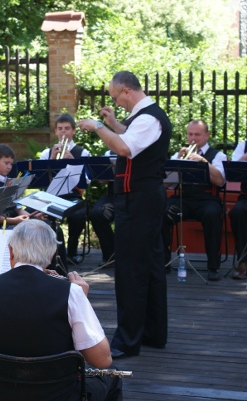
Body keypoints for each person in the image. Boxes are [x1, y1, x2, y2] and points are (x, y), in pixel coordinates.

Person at [0, 220, 123, 401]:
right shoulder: (70, 292)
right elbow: (102, 360)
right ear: (52, 255)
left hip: (1, 394)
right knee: (113, 376)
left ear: (11, 250)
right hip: (59, 395)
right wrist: (82, 300)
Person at [78, 70, 170, 358]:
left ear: (127, 91)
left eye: (116, 97)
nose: (116, 102)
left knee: (131, 269)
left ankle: (127, 341)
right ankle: (152, 333)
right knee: (151, 266)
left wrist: (97, 127)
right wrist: (113, 123)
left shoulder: (148, 118)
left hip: (139, 200)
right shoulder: (143, 118)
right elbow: (130, 137)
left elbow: (125, 147)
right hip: (143, 199)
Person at [162, 120, 226, 281]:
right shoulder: (180, 154)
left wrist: (203, 161)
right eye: (190, 134)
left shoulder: (218, 155)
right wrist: (177, 159)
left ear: (206, 135)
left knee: (213, 215)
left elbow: (219, 181)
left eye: (197, 134)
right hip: (184, 197)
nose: (193, 138)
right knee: (161, 213)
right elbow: (167, 183)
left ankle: (213, 267)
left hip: (207, 199)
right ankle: (163, 262)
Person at [39, 113, 90, 264]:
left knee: (78, 215)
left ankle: (71, 253)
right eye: (60, 129)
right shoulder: (46, 153)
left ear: (73, 131)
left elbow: (86, 181)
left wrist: (74, 162)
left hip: (73, 195)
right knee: (37, 213)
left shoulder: (82, 153)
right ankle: (49, 253)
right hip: (51, 195)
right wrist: (51, 160)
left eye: (67, 129)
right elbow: (40, 179)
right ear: (55, 131)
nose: (63, 132)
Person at [229, 139, 247, 279]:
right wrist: (245, 158)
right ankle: (243, 262)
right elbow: (232, 172)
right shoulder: (243, 145)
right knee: (237, 212)